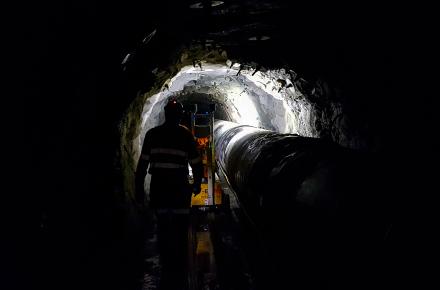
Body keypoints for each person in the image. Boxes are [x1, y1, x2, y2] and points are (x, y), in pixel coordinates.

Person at [135, 99, 203, 290]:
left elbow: (142, 166)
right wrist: (197, 184)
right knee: (181, 229)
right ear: (180, 115)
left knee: (163, 227)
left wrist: (139, 189)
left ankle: (167, 268)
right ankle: (180, 269)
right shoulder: (185, 135)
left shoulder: (152, 134)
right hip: (180, 191)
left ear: (165, 114)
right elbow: (196, 163)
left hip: (159, 190)